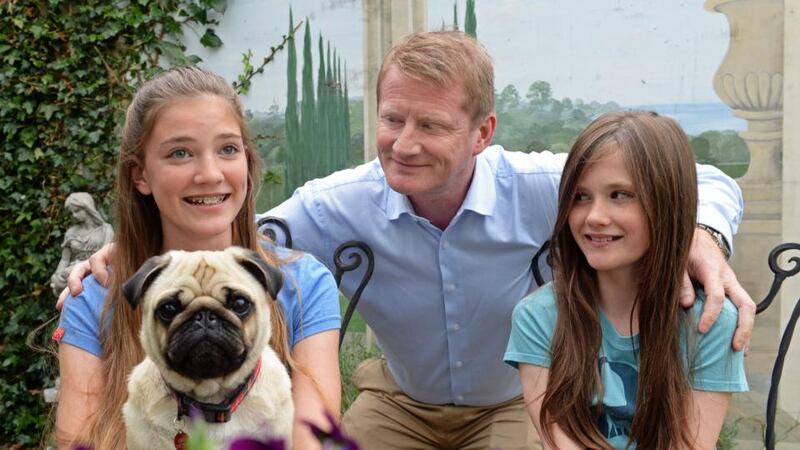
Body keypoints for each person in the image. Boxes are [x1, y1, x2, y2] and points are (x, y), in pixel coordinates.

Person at [63, 32, 754, 449]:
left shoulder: (547, 187)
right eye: (393, 119)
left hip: (518, 397)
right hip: (401, 400)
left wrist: (701, 234)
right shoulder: (342, 203)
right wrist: (135, 249)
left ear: (482, 132)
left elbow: (709, 175)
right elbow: (236, 238)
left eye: (431, 125)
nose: (405, 143)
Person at [53, 67, 341, 450]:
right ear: (140, 175)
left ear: (247, 161)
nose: (209, 174)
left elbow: (312, 440)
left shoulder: (303, 283)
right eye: (180, 153)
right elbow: (79, 440)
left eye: (227, 149)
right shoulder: (96, 295)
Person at [504, 111, 748, 449]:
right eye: (580, 196)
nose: (595, 217)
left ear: (666, 202)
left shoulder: (708, 322)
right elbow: (561, 442)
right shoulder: (538, 317)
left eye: (620, 195)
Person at [50, 192, 114, 296]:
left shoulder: (106, 230)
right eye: (71, 213)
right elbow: (65, 259)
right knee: (57, 280)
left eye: (77, 211)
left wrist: (79, 266)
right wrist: (58, 274)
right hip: (71, 273)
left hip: (97, 272)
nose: (74, 215)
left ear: (87, 208)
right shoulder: (71, 232)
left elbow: (107, 259)